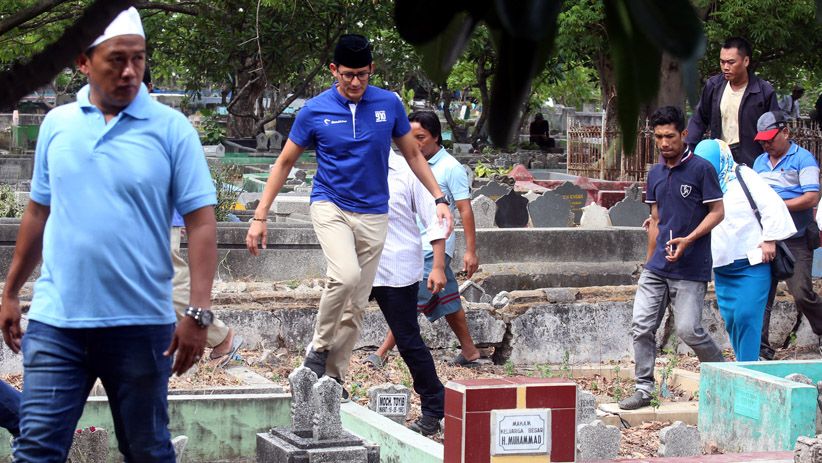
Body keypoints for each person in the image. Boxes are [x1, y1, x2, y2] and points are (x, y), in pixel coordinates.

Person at [0, 8, 217, 461]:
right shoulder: (57, 125)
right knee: (37, 449)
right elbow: (39, 211)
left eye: (138, 59)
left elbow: (201, 221)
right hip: (58, 322)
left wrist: (198, 312)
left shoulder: (171, 130)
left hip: (141, 326)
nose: (130, 72)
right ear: (84, 61)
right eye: (117, 59)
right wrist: (12, 290)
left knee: (148, 450)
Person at [245, 34, 452, 390]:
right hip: (331, 205)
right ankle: (318, 348)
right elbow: (284, 162)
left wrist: (438, 197)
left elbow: (414, 156)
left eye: (362, 74)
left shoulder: (389, 104)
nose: (355, 82)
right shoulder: (314, 110)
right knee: (344, 275)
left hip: (374, 213)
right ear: (333, 71)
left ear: (371, 69)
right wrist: (260, 215)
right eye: (347, 75)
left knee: (355, 306)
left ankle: (333, 380)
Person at [619, 106, 725, 410]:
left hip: (691, 266)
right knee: (641, 326)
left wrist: (689, 239)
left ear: (684, 134)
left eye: (670, 136)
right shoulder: (654, 173)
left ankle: (723, 373)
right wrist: (648, 262)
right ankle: (643, 388)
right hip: (657, 268)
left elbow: (718, 211)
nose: (664, 143)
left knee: (688, 329)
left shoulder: (702, 169)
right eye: (659, 137)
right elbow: (656, 217)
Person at [143, 69, 243, 367]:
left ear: (149, 86)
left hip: (161, 219)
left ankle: (221, 336)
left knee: (169, 286)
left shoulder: (167, 125)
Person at [367, 111, 480, 368]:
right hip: (410, 243)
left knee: (409, 299)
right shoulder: (407, 164)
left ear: (436, 137)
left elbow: (465, 210)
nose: (415, 143)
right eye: (410, 137)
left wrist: (470, 251)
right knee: (447, 297)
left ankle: (381, 353)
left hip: (434, 246)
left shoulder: (450, 168)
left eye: (421, 137)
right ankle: (470, 350)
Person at [694, 139, 795, 361]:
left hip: (752, 264)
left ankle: (748, 367)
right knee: (732, 319)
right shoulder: (701, 183)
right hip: (723, 266)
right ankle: (744, 365)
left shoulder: (743, 176)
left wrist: (770, 239)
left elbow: (772, 205)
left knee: (747, 316)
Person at [371, 150, 448, 436]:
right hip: (358, 263)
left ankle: (433, 406)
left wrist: (438, 265)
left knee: (407, 339)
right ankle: (331, 389)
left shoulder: (408, 170)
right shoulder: (352, 163)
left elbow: (436, 218)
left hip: (396, 266)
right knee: (336, 328)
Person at [753, 110, 822, 359]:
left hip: (796, 237)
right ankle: (761, 349)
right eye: (762, 140)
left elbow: (812, 197)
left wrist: (777, 206)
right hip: (766, 236)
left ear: (786, 132)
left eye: (771, 138)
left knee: (802, 292)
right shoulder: (759, 163)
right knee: (762, 294)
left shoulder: (803, 159)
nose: (766, 144)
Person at [686, 37, 779, 167]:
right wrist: (686, 149)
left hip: (753, 160)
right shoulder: (713, 86)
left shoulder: (764, 91)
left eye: (731, 62)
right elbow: (698, 120)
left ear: (746, 61)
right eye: (722, 62)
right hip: (719, 157)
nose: (725, 67)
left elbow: (774, 129)